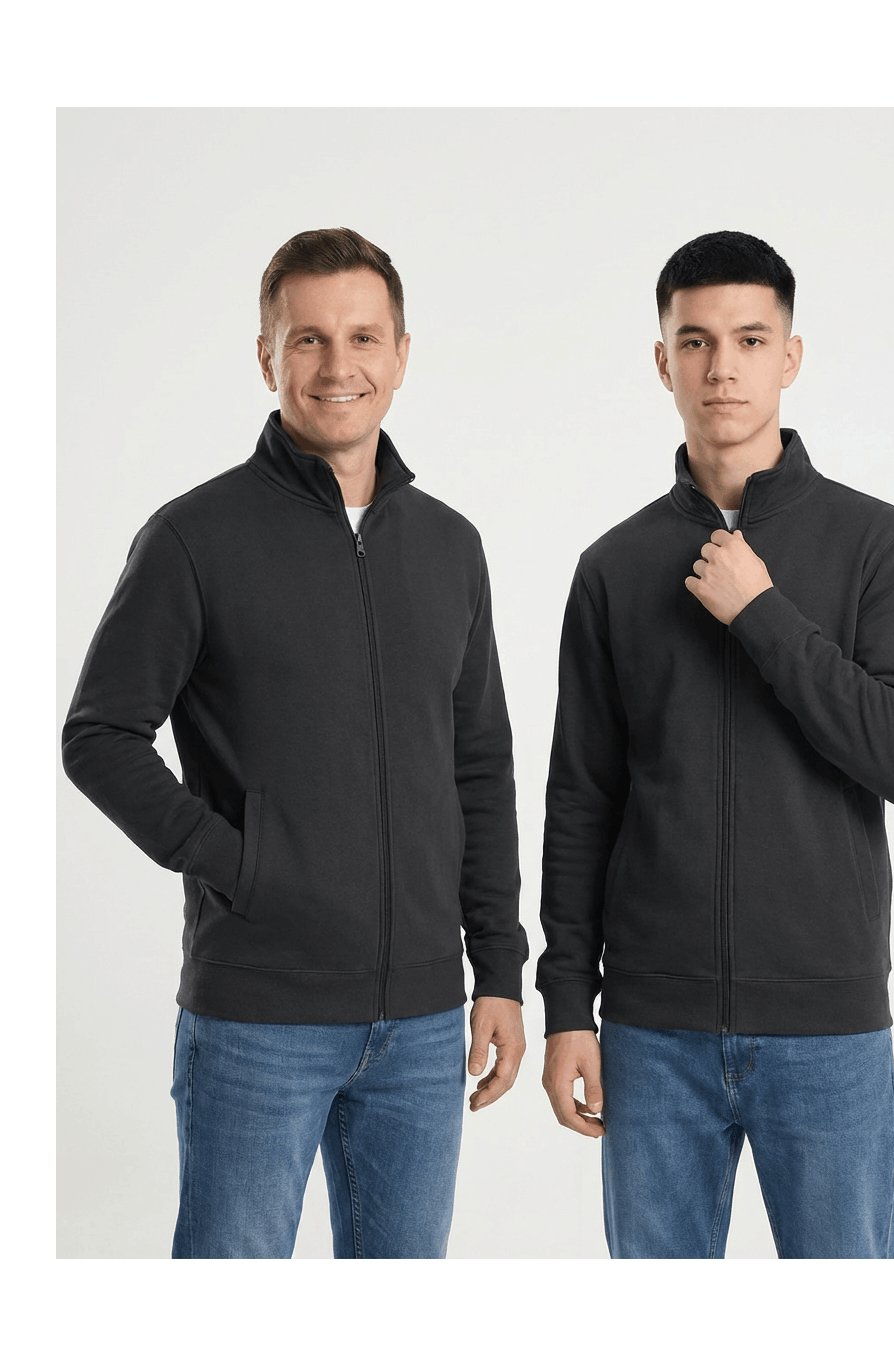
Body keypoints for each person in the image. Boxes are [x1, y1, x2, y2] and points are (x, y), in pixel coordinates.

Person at [62, 227, 528, 1259]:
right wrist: (240, 863)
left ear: (401, 353)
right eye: (307, 338)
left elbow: (478, 768)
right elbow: (99, 736)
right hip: (257, 1016)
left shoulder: (450, 546)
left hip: (421, 1022)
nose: (336, 364)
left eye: (362, 336)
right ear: (266, 355)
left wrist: (498, 966)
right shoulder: (194, 538)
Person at [536, 230, 894, 1259]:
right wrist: (567, 1006)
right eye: (696, 341)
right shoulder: (613, 567)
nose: (722, 366)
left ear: (789, 358)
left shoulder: (875, 543)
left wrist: (762, 613)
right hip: (651, 1033)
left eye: (750, 340)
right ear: (663, 361)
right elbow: (581, 801)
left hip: (828, 1029)